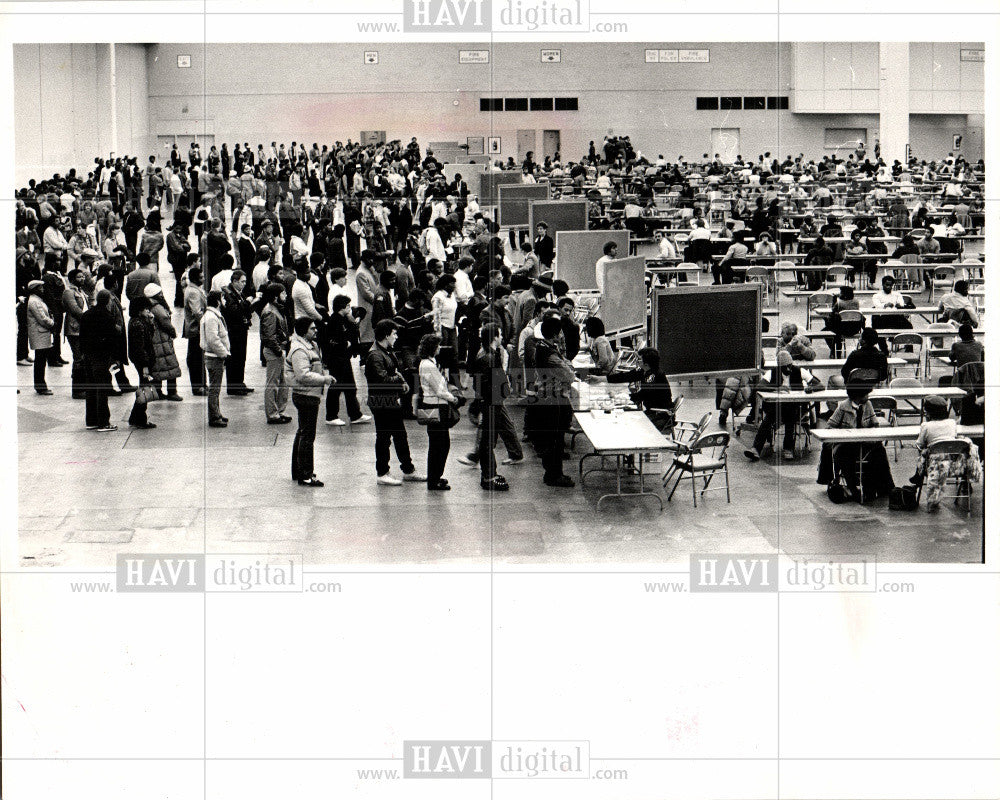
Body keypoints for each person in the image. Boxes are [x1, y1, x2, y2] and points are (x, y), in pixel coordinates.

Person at [364, 320, 425, 486]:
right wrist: (399, 381)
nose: (396, 336)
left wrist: (399, 379)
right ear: (386, 335)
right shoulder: (375, 355)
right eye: (394, 333)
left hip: (389, 400)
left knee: (399, 435)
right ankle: (383, 472)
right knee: (385, 437)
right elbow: (382, 379)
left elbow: (394, 371)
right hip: (382, 402)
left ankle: (407, 469)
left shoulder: (385, 351)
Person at [818, 376, 895, 502]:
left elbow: (874, 423)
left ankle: (884, 486)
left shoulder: (868, 405)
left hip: (865, 443)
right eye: (866, 394)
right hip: (846, 444)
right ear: (858, 395)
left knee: (880, 451)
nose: (868, 397)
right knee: (845, 454)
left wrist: (872, 434)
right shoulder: (843, 407)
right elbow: (830, 427)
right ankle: (853, 488)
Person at [286, 317, 334, 487]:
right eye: (312, 329)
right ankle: (305, 474)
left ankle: (298, 471)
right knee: (307, 435)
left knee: (302, 432)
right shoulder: (300, 350)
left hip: (307, 394)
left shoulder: (307, 345)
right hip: (306, 395)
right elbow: (303, 375)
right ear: (303, 331)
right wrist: (324, 379)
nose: (316, 331)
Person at [743, 350, 813, 461]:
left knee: (787, 414)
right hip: (777, 407)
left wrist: (811, 388)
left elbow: (819, 384)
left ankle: (787, 448)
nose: (789, 369)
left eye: (790, 366)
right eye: (785, 367)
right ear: (779, 367)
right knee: (769, 419)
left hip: (796, 406)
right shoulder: (772, 373)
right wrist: (777, 388)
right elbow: (760, 386)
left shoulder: (800, 371)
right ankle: (756, 449)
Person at [532, 316, 577, 487]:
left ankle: (554, 472)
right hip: (552, 399)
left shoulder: (546, 348)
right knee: (555, 440)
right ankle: (553, 475)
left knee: (555, 439)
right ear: (556, 334)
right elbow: (569, 374)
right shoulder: (549, 354)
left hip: (550, 397)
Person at [417, 334, 460, 491]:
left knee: (438, 444)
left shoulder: (428, 363)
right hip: (437, 407)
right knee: (440, 445)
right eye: (437, 346)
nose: (440, 348)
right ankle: (434, 479)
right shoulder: (428, 365)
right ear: (432, 348)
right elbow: (440, 390)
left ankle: (435, 476)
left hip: (433, 406)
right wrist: (453, 399)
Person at [324, 294, 372, 426]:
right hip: (337, 359)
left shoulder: (343, 319)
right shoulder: (335, 320)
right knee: (336, 387)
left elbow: (360, 313)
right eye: (348, 306)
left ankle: (355, 415)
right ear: (342, 308)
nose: (350, 308)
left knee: (350, 387)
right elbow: (332, 340)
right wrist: (345, 343)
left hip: (343, 358)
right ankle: (331, 416)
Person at [607, 346, 674, 433]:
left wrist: (619, 397)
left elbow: (642, 395)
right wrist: (602, 379)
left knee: (629, 424)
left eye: (639, 359)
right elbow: (626, 376)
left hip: (660, 415)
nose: (637, 361)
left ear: (646, 364)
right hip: (654, 412)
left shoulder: (655, 377)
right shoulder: (646, 371)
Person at [78, 290, 119, 431]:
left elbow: (81, 336)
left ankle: (91, 421)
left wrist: (83, 353)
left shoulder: (87, 314)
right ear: (108, 301)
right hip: (101, 356)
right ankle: (103, 422)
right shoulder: (108, 316)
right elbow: (111, 338)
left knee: (91, 388)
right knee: (102, 388)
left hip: (88, 355)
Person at [259, 281, 292, 424]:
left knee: (282, 383)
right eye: (283, 293)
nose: (285, 295)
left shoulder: (276, 309)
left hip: (279, 350)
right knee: (273, 383)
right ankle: (273, 414)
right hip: (274, 352)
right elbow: (269, 336)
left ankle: (279, 411)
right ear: (275, 296)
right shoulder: (270, 312)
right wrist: (279, 351)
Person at [143, 283, 183, 401]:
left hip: (154, 340)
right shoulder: (158, 307)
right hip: (162, 340)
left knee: (158, 366)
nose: (162, 295)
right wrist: (173, 333)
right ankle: (172, 391)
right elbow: (166, 322)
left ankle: (158, 391)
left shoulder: (148, 306)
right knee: (170, 364)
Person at [908, 395, 957, 487]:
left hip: (934, 465)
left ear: (928, 413)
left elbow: (919, 444)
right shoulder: (952, 423)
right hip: (953, 464)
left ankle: (918, 477)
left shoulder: (926, 426)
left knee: (923, 452)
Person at [221, 270, 254, 394]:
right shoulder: (228, 294)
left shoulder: (238, 293)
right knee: (234, 358)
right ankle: (233, 386)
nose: (244, 284)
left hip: (241, 328)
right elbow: (234, 311)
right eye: (242, 282)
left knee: (241, 357)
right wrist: (247, 303)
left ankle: (239, 382)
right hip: (233, 330)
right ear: (234, 281)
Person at [126, 296, 157, 429]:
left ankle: (135, 417)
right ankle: (139, 418)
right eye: (145, 309)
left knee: (144, 387)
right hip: (142, 360)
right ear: (139, 310)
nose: (148, 311)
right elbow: (140, 346)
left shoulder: (138, 321)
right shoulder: (137, 324)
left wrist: (150, 322)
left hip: (142, 359)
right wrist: (145, 364)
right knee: (144, 389)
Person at [200, 290, 230, 428]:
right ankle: (214, 416)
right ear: (218, 301)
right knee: (214, 389)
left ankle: (216, 413)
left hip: (214, 356)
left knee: (215, 388)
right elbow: (213, 339)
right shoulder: (212, 317)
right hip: (214, 357)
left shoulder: (212, 315)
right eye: (223, 298)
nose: (224, 300)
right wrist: (224, 353)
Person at [62, 268, 90, 399]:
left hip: (83, 328)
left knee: (83, 358)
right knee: (78, 359)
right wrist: (89, 318)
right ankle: (78, 390)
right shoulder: (68, 292)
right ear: (72, 279)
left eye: (83, 276)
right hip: (74, 329)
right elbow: (75, 310)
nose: (82, 279)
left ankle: (83, 387)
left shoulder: (80, 291)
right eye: (79, 277)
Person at [183, 266, 207, 396]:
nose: (203, 279)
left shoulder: (194, 289)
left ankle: (201, 384)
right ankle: (198, 386)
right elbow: (197, 312)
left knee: (197, 358)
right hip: (196, 329)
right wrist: (206, 322)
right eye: (201, 277)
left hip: (195, 329)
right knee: (196, 359)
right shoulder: (193, 292)